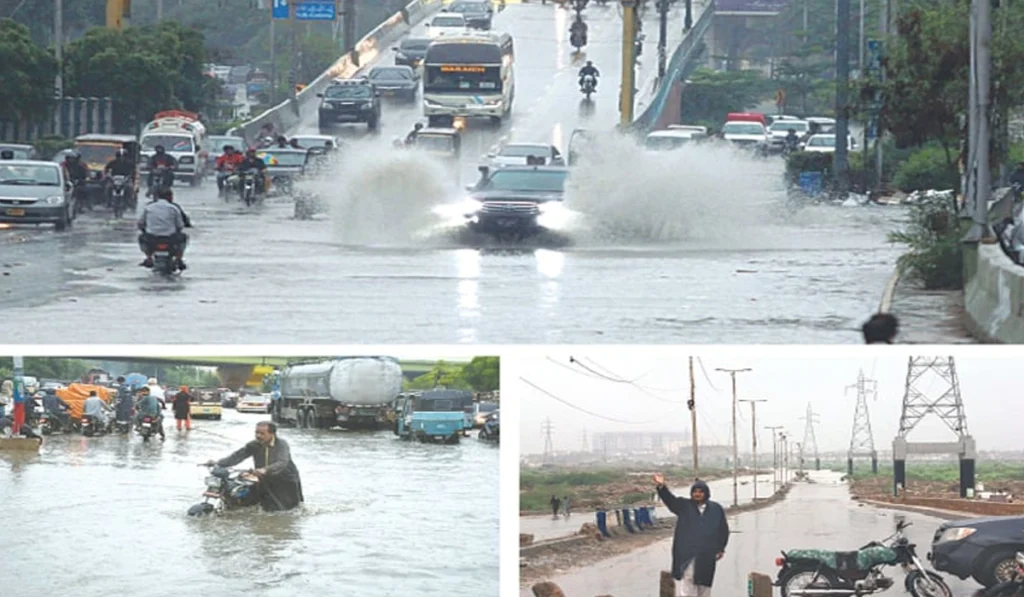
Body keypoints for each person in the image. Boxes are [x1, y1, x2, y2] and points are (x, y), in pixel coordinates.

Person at [654, 475, 729, 597]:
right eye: (695, 491)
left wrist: (721, 548)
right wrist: (662, 486)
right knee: (688, 584)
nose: (697, 494)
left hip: (707, 555)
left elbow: (723, 530)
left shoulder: (716, 509)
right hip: (687, 554)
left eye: (700, 492)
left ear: (706, 493)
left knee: (704, 587)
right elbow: (670, 500)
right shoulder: (684, 506)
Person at [206, 421, 304, 512]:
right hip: (264, 478)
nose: (258, 436)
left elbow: (282, 462)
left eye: (262, 434)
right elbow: (236, 457)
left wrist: (265, 469)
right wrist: (218, 463)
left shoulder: (281, 444)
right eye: (256, 433)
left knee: (288, 510)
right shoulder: (254, 445)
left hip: (285, 480)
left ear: (272, 434)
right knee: (265, 506)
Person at [137, 186, 188, 270]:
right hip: (170, 238)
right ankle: (179, 258)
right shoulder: (174, 208)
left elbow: (140, 223)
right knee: (184, 237)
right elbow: (180, 225)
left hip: (152, 237)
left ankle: (148, 257)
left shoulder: (149, 207)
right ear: (169, 197)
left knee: (141, 238)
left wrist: (144, 230)